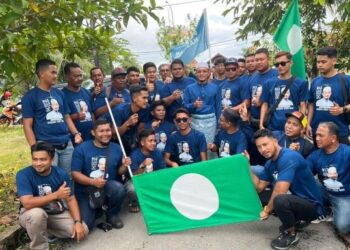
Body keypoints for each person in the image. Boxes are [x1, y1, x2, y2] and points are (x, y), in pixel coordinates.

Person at [244, 129, 325, 250]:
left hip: (312, 206)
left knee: (279, 200)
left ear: (275, 142)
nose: (263, 150)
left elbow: (280, 192)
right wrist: (247, 165)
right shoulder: (270, 163)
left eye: (265, 144)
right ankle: (295, 219)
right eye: (259, 147)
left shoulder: (288, 157)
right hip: (294, 199)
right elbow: (259, 187)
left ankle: (291, 234)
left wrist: (266, 211)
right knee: (261, 197)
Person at [16, 142, 88, 250]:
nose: (38, 163)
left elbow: (71, 199)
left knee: (83, 230)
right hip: (30, 213)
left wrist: (77, 222)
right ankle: (40, 247)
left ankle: (43, 230)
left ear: (52, 159)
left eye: (43, 159)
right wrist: (55, 195)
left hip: (54, 211)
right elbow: (27, 203)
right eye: (35, 159)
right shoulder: (23, 174)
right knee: (37, 215)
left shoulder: (61, 173)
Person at [22, 59, 82, 173]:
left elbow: (66, 117)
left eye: (56, 73)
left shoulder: (59, 93)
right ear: (42, 74)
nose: (56, 75)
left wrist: (76, 134)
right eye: (53, 72)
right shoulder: (30, 96)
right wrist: (35, 148)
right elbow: (27, 125)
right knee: (50, 178)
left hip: (66, 144)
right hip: (46, 145)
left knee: (68, 177)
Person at [71, 119, 131, 230]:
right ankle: (96, 208)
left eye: (108, 130)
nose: (105, 134)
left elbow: (119, 172)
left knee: (119, 189)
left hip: (107, 186)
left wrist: (125, 166)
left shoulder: (117, 148)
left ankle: (112, 214)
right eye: (101, 131)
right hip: (85, 190)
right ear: (93, 133)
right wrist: (92, 181)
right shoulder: (81, 149)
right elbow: (75, 174)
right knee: (87, 225)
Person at [307, 122, 350, 234]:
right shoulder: (315, 155)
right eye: (316, 135)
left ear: (333, 138)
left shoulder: (347, 152)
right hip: (326, 191)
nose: (317, 138)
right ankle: (326, 210)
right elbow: (304, 173)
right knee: (307, 181)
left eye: (321, 135)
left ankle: (337, 210)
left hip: (345, 196)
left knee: (342, 227)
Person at [307, 46, 350, 145]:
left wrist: (342, 109)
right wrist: (308, 124)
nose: (320, 65)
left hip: (339, 133)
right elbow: (311, 104)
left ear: (334, 61)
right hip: (317, 132)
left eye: (323, 62)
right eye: (318, 62)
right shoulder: (315, 82)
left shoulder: (346, 80)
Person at [260, 51, 308, 131]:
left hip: (293, 129)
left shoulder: (301, 83)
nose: (279, 66)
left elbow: (303, 106)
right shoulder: (268, 83)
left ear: (291, 63)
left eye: (283, 63)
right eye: (277, 64)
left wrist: (303, 125)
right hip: (273, 129)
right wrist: (261, 124)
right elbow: (265, 104)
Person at [127, 129, 166, 212]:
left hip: (154, 178)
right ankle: (134, 202)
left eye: (155, 141)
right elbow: (134, 177)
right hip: (139, 180)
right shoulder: (134, 155)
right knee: (131, 188)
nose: (154, 143)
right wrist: (142, 165)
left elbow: (163, 170)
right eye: (150, 141)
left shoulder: (157, 152)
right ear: (142, 143)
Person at [183, 62, 221, 147]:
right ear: (196, 73)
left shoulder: (215, 87)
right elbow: (184, 106)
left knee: (210, 147)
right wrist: (194, 105)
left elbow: (218, 107)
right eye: (199, 71)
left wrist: (219, 125)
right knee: (196, 146)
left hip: (211, 122)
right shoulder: (189, 88)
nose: (202, 74)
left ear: (209, 72)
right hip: (195, 121)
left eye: (204, 71)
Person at [104, 85, 149, 154]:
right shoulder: (119, 110)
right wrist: (127, 123)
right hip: (110, 139)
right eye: (144, 98)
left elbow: (140, 128)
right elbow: (115, 135)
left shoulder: (145, 108)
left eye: (147, 98)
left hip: (128, 138)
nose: (146, 101)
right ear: (134, 99)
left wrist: (137, 142)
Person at [62, 63, 94, 141]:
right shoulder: (62, 95)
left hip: (92, 137)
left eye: (81, 75)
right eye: (76, 76)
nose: (80, 78)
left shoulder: (86, 92)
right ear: (67, 78)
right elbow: (62, 117)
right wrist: (76, 116)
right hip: (75, 139)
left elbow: (92, 113)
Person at [249, 48, 278, 128]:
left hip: (272, 121)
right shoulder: (252, 77)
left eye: (261, 59)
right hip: (254, 121)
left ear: (268, 59)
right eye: (257, 60)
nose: (259, 62)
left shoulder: (276, 75)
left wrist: (261, 101)